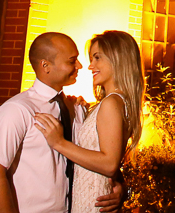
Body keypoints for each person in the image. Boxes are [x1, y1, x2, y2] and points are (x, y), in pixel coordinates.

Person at [0, 32, 125, 213]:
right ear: (45, 66)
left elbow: (95, 156)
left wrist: (119, 186)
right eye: (72, 61)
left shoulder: (76, 108)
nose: (80, 66)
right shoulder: (17, 110)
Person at [33, 31, 144, 213]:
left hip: (92, 206)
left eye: (97, 58)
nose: (91, 66)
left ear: (118, 59)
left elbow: (109, 164)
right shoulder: (117, 102)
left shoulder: (111, 103)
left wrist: (59, 143)